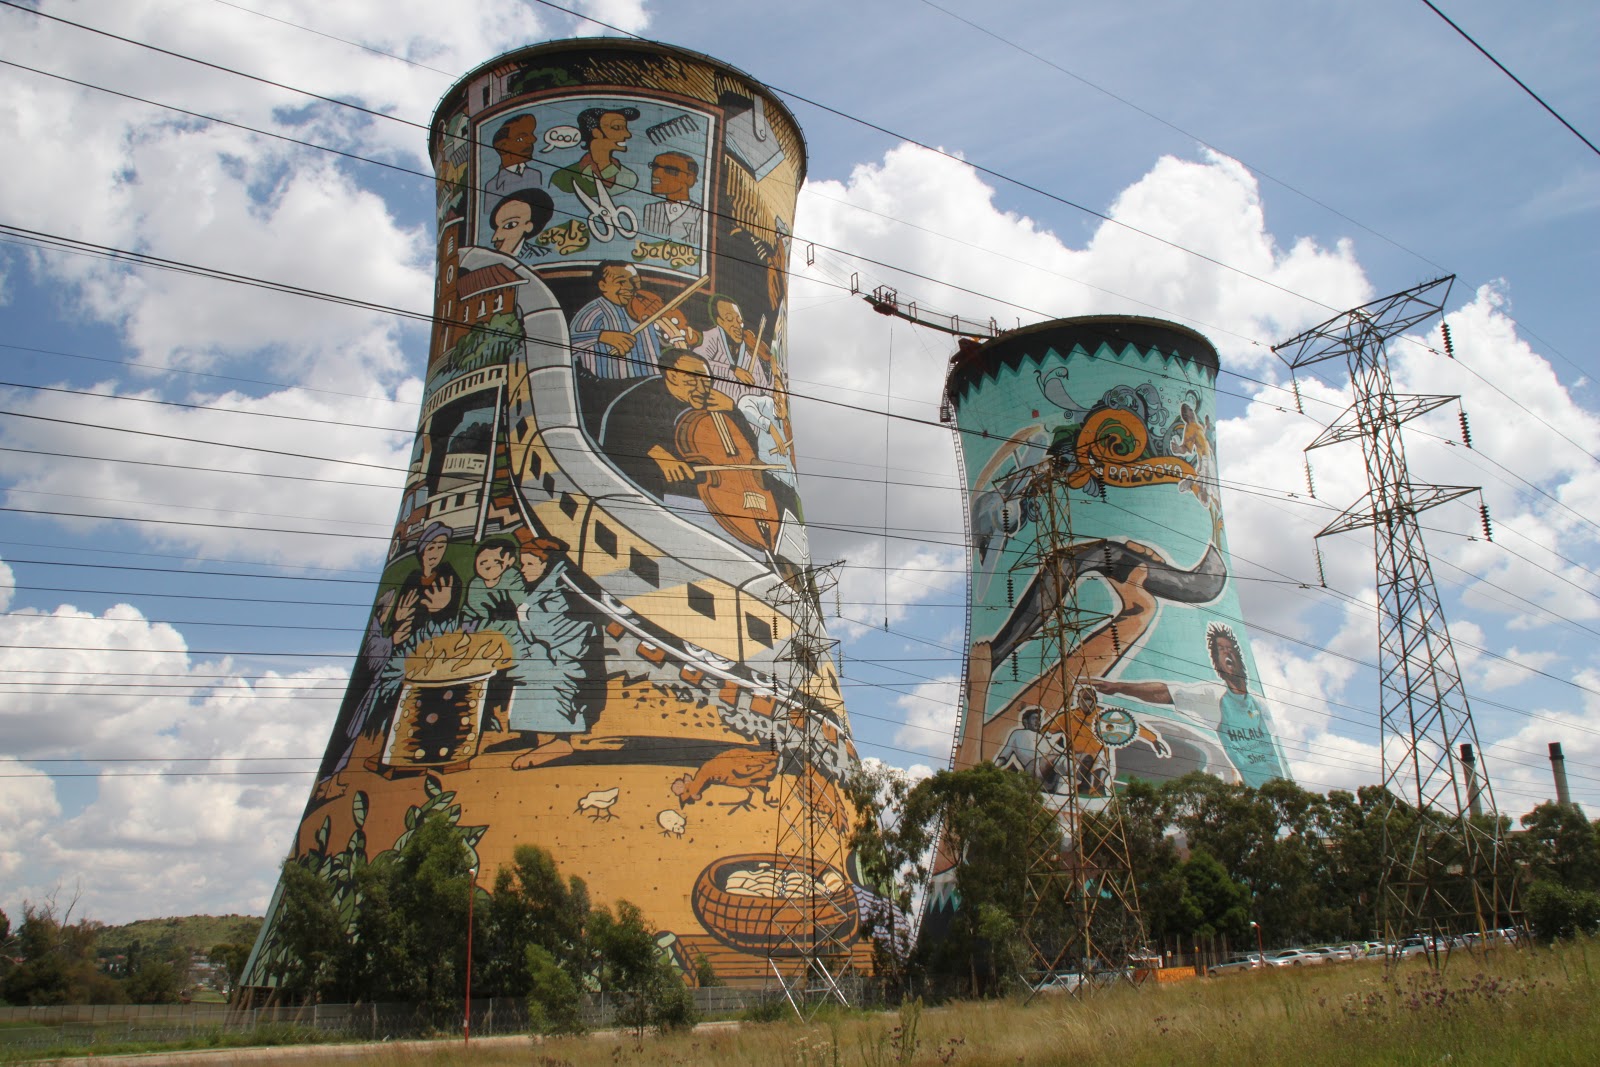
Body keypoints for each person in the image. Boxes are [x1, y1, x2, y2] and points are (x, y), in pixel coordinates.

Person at [1090, 622, 1286, 788]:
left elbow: (1275, 751)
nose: (1228, 654)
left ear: (1239, 655)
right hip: (1259, 792)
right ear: (1216, 663)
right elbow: (1165, 692)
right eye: (1221, 650)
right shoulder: (1214, 698)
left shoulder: (1259, 704)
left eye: (1230, 649)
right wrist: (1119, 687)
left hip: (1280, 793)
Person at [570, 261, 681, 379]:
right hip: (611, 387)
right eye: (621, 282)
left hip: (651, 382)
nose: (630, 288)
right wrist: (602, 336)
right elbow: (566, 343)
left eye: (634, 282)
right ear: (603, 285)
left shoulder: (643, 311)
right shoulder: (595, 311)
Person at [551, 106, 640, 197]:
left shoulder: (629, 178)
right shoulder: (562, 178)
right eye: (617, 127)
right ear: (597, 133)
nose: (628, 134)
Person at [695, 293, 770, 399]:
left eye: (739, 321)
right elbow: (697, 364)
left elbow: (764, 387)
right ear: (719, 322)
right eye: (730, 319)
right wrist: (733, 370)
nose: (737, 325)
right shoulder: (712, 337)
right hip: (714, 407)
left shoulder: (749, 351)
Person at [391, 522, 461, 634]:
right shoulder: (412, 579)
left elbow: (451, 623)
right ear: (422, 551)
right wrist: (397, 619)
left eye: (441, 546)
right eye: (431, 547)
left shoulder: (449, 577)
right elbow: (393, 625)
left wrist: (440, 610)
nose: (436, 553)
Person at [640, 151, 701, 244]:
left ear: (689, 179)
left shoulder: (700, 215)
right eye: (655, 167)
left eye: (670, 170)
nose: (656, 174)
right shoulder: (650, 209)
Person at [484, 114, 544, 202]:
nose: (530, 143)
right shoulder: (492, 186)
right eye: (520, 139)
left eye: (530, 137)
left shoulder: (535, 175)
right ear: (502, 147)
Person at [488, 188, 554, 259]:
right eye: (496, 228)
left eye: (510, 225)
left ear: (529, 227)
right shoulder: (489, 258)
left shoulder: (541, 255)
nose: (494, 238)